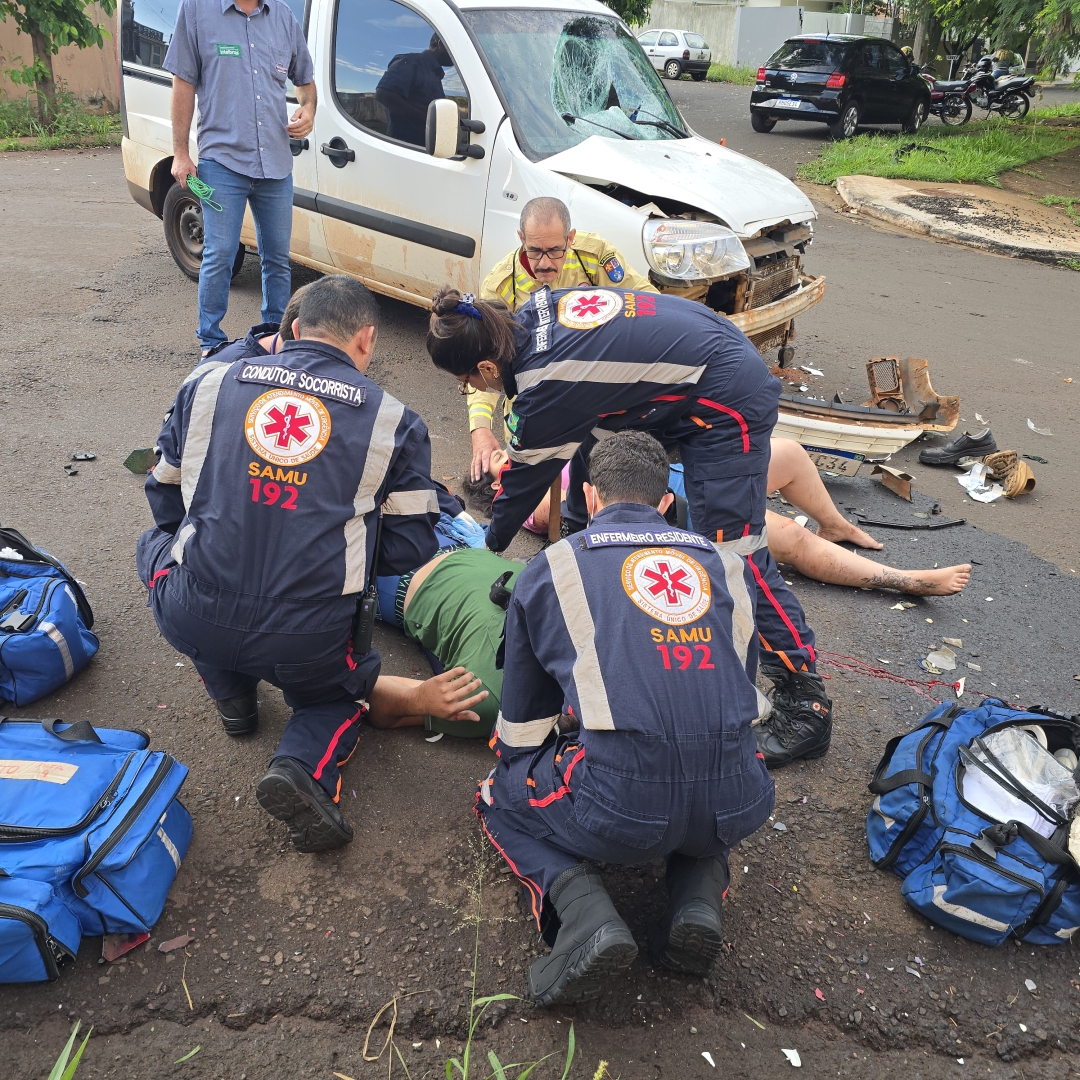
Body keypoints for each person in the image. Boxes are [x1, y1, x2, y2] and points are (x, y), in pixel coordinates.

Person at [136, 276, 487, 854]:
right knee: (338, 691)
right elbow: (409, 550)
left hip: (196, 610)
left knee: (155, 544)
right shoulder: (393, 421)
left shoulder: (209, 382)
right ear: (368, 341)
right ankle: (303, 766)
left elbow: (165, 495)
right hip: (311, 637)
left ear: (293, 330)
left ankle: (232, 696)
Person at [427, 284, 833, 769]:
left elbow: (520, 484)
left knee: (733, 555)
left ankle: (805, 700)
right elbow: (581, 436)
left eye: (467, 383)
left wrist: (485, 547)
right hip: (694, 364)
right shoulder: (536, 312)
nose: (475, 390)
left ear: (488, 368)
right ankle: (590, 563)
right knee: (593, 451)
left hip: (726, 395)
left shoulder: (545, 381)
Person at [475, 432, 775, 1006]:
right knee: (703, 765)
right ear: (667, 503)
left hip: (622, 804)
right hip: (739, 793)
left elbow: (523, 726)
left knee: (499, 794)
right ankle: (697, 899)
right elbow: (731, 689)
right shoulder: (727, 566)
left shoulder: (553, 567)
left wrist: (525, 772)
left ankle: (584, 910)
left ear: (589, 497)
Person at [467, 440, 973, 597]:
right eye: (497, 477)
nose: (504, 468)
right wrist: (508, 479)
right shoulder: (536, 506)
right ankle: (903, 580)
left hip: (683, 469)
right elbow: (546, 521)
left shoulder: (538, 451)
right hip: (683, 510)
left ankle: (837, 522)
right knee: (790, 538)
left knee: (793, 456)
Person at [165, 0, 317, 354]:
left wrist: (308, 109)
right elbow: (183, 82)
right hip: (223, 162)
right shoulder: (197, 10)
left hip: (276, 165)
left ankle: (277, 339)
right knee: (220, 252)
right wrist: (181, 152)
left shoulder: (282, 16)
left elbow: (305, 82)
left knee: (277, 258)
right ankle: (211, 342)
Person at [469, 197, 655, 481]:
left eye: (555, 251)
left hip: (595, 385)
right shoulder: (500, 287)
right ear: (521, 239)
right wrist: (480, 429)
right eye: (534, 251)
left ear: (570, 238)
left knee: (611, 473)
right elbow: (485, 366)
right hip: (536, 400)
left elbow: (648, 302)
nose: (544, 264)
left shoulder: (593, 256)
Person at [375, 34, 453, 146]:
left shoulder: (435, 74)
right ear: (440, 44)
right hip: (405, 151)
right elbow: (384, 94)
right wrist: (429, 119)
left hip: (426, 150)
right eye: (452, 49)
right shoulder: (411, 62)